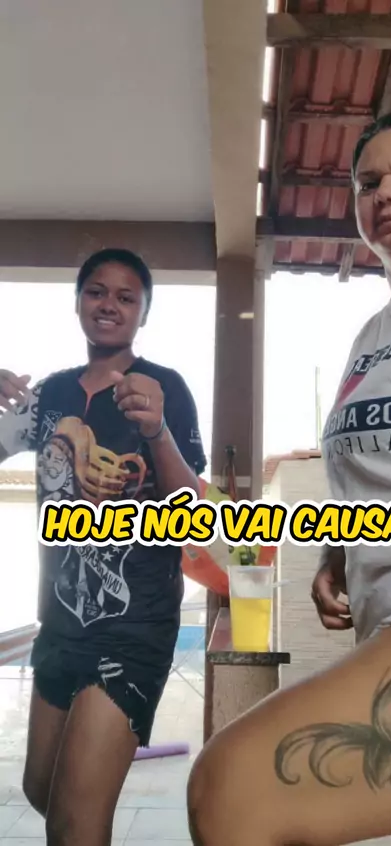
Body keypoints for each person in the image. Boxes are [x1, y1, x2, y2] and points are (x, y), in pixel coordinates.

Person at [186, 105, 391, 846]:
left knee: (231, 789)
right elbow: (388, 471)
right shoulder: (374, 335)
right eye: (368, 182)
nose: (385, 194)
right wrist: (337, 554)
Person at [0, 247, 206, 846]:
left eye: (125, 296)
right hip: (60, 621)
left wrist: (156, 430)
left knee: (75, 823)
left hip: (134, 624)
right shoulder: (50, 395)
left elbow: (194, 506)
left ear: (143, 313)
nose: (108, 304)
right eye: (96, 291)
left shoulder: (165, 388)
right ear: (77, 303)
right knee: (42, 789)